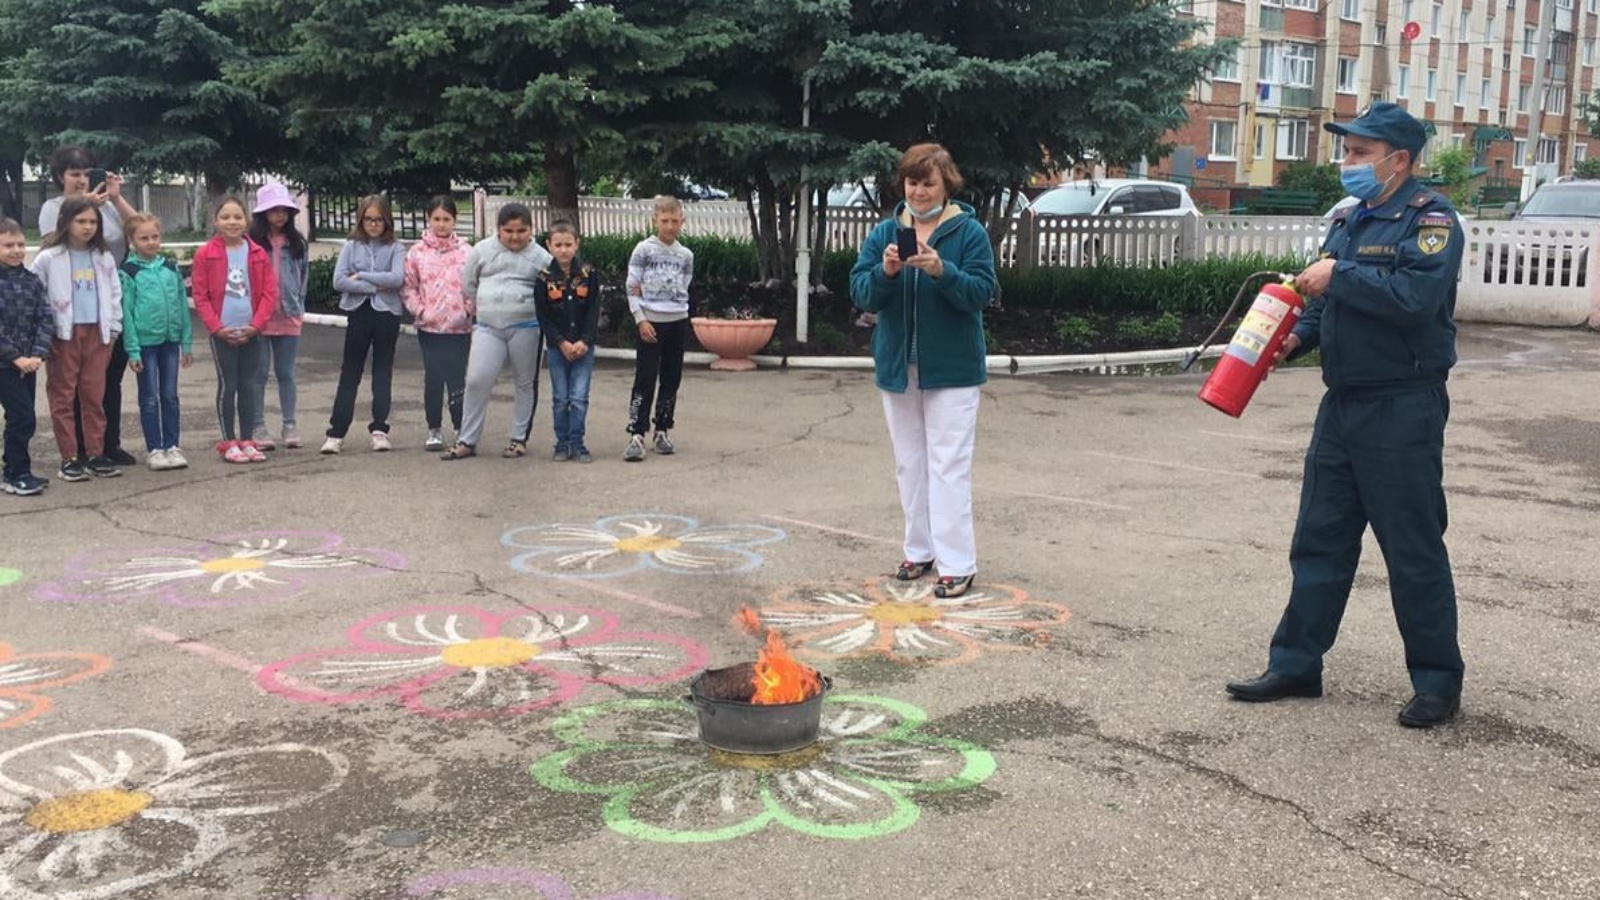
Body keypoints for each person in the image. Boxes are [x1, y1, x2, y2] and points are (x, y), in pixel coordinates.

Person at [1224, 102, 1467, 729]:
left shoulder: (1431, 221)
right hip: (1343, 405)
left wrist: (1341, 275)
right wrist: (1294, 340)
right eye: (1348, 150)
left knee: (1411, 549)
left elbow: (1414, 299)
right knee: (1319, 539)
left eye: (1361, 153)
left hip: (1402, 406)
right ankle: (1296, 665)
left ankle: (1437, 682)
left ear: (1399, 160)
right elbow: (1321, 303)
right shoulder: (1351, 218)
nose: (1348, 162)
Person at [848, 142, 996, 599]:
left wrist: (941, 270)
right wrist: (886, 273)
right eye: (912, 182)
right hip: (899, 367)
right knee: (909, 464)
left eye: (927, 183)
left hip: (953, 370)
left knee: (948, 466)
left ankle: (957, 564)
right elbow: (861, 293)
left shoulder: (968, 233)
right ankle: (919, 550)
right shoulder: (886, 232)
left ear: (946, 184)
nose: (918, 192)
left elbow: (982, 292)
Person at [38, 145, 138, 467]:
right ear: (60, 177)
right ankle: (75, 450)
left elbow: (139, 229)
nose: (82, 180)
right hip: (70, 314)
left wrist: (115, 198)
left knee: (105, 383)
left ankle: (105, 446)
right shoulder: (53, 208)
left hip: (107, 303)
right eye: (74, 174)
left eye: (86, 173)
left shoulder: (106, 208)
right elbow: (52, 245)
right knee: (68, 388)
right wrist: (87, 206)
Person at [442, 203, 551, 461]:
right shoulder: (482, 251)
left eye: (521, 231)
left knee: (525, 382)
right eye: (508, 231)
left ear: (531, 229)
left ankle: (518, 438)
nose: (515, 237)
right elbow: (469, 283)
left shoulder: (542, 257)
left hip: (527, 327)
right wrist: (488, 303)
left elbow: (550, 291)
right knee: (476, 380)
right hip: (488, 327)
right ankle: (467, 439)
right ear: (498, 229)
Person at [31, 196, 124, 481]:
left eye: (93, 222)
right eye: (81, 221)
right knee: (63, 395)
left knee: (94, 395)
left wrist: (113, 329)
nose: (87, 227)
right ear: (66, 222)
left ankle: (96, 453)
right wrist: (44, 334)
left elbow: (115, 294)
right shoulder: (49, 258)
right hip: (63, 335)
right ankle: (69, 457)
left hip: (98, 333)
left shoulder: (103, 257)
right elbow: (37, 296)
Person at [192, 197, 276, 464]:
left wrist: (256, 326)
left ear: (247, 221)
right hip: (223, 333)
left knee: (248, 385)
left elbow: (269, 293)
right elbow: (200, 296)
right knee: (228, 385)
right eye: (225, 217)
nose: (232, 222)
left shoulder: (258, 253)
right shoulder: (205, 254)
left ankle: (247, 439)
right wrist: (217, 328)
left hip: (251, 331)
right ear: (215, 221)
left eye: (238, 217)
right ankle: (228, 442)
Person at [322, 196, 406, 454]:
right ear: (361, 220)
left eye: (378, 219)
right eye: (368, 219)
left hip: (387, 314)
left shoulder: (396, 247)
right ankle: (336, 432)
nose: (373, 224)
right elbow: (339, 281)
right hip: (359, 312)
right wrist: (373, 287)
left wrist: (362, 276)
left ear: (387, 221)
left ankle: (380, 429)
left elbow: (397, 278)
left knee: (382, 371)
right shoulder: (351, 246)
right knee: (351, 371)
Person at [119, 213, 193, 471]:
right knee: (149, 397)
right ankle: (155, 448)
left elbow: (182, 305)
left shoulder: (170, 268)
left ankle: (173, 445)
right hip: (145, 345)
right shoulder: (129, 272)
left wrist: (186, 342)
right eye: (144, 238)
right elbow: (127, 312)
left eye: (155, 236)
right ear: (132, 240)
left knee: (170, 395)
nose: (151, 242)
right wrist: (133, 350)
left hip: (171, 341)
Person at [623, 195, 693, 462]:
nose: (670, 226)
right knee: (645, 377)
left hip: (677, 321)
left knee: (671, 378)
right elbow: (632, 286)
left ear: (682, 221)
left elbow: (684, 283)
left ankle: (662, 429)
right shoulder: (643, 250)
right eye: (665, 221)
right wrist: (641, 318)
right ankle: (637, 433)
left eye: (675, 221)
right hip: (650, 323)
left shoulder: (685, 255)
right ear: (655, 220)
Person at [401, 196, 471, 453]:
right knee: (433, 377)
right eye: (436, 219)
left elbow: (475, 286)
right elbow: (408, 287)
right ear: (429, 219)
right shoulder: (417, 252)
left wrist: (467, 311)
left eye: (446, 219)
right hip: (429, 328)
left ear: (455, 220)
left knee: (457, 379)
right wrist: (421, 311)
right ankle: (434, 428)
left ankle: (461, 428)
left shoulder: (467, 252)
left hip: (459, 328)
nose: (441, 224)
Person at [248, 183, 309, 450]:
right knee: (259, 372)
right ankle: (258, 425)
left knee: (286, 372)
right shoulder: (252, 243)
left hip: (289, 314)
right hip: (259, 317)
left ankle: (289, 423)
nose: (280, 215)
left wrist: (298, 304)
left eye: (284, 210)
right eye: (274, 210)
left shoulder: (297, 243)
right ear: (263, 213)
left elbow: (303, 277)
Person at [534, 221, 600, 463]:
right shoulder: (543, 278)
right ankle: (562, 443)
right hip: (557, 349)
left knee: (579, 398)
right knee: (561, 399)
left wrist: (585, 341)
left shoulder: (588, 274)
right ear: (549, 245)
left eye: (568, 244)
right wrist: (560, 342)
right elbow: (543, 316)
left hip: (584, 347)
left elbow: (594, 310)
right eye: (558, 245)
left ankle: (578, 443)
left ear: (577, 244)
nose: (563, 250)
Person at [0, 218, 54, 496]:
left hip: (28, 364)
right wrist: (15, 357)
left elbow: (45, 318)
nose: (16, 250)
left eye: (20, 244)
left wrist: (37, 354)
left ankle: (17, 470)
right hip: (6, 365)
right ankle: (16, 474)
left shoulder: (32, 280)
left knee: (23, 418)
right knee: (22, 418)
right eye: (8, 245)